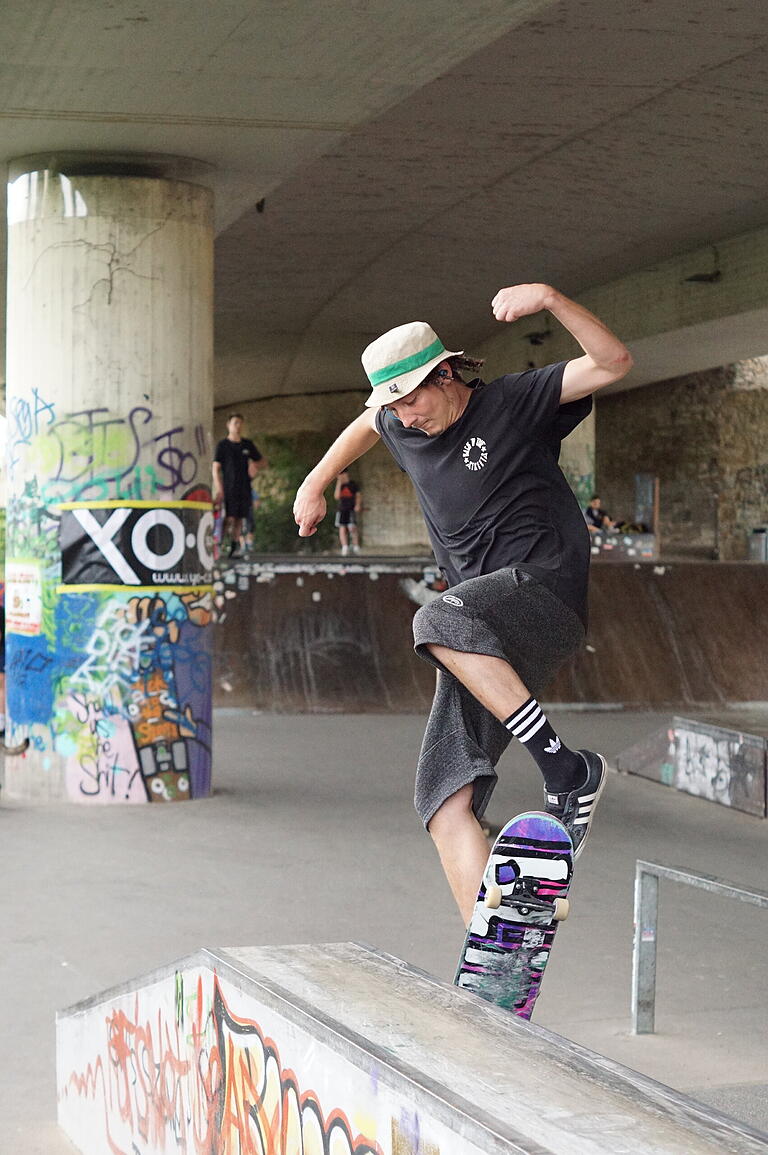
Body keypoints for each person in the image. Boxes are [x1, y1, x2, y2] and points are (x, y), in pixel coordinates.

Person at [293, 282, 632, 924]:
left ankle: (566, 773)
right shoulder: (395, 419)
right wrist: (315, 483)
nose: (406, 417)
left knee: (435, 616)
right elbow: (364, 426)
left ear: (446, 374)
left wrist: (553, 300)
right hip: (482, 637)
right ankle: (495, 945)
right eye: (395, 408)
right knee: (442, 797)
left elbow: (613, 362)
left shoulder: (514, 402)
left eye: (414, 399)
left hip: (542, 591)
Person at [212, 414, 268, 557]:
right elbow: (215, 468)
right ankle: (219, 544)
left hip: (244, 487)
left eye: (240, 423)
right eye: (235, 423)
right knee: (228, 517)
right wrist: (219, 488)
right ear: (228, 425)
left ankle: (234, 546)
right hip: (228, 487)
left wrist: (254, 465)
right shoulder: (223, 445)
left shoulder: (247, 445)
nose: (238, 426)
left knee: (239, 518)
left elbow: (262, 462)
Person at [334, 469, 363, 555]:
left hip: (351, 509)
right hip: (341, 509)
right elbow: (337, 496)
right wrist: (339, 483)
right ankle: (345, 546)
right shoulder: (340, 485)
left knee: (352, 527)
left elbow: (358, 495)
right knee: (342, 528)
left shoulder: (353, 484)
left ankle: (356, 546)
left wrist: (358, 505)